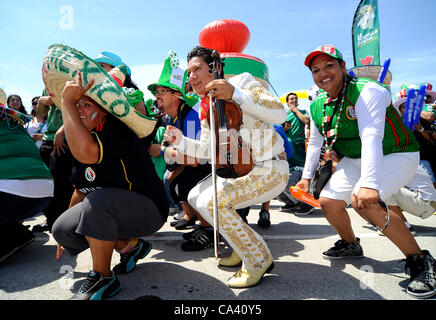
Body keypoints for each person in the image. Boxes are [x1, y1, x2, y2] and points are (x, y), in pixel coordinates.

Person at [297, 44, 436, 299]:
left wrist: (369, 184)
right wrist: (306, 178)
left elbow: (371, 135)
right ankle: (351, 244)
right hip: (356, 158)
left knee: (364, 202)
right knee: (328, 202)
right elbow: (316, 143)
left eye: (329, 65)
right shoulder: (318, 103)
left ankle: (421, 261)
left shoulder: (367, 90)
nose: (322, 73)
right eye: (315, 70)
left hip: (396, 153)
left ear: (342, 67)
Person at [43, 44, 167, 300]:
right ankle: (130, 247)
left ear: (103, 110)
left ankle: (103, 277)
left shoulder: (116, 130)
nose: (79, 110)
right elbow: (80, 189)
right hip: (114, 209)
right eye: (78, 105)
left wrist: (66, 101)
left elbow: (87, 155)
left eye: (87, 105)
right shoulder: (82, 137)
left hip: (150, 210)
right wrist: (65, 229)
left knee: (98, 203)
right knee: (62, 229)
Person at [164, 46, 289, 288]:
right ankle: (241, 247)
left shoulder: (243, 81)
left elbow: (280, 113)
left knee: (214, 202)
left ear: (213, 68)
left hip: (270, 168)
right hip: (242, 171)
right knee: (196, 194)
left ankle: (257, 259)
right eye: (189, 72)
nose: (191, 77)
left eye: (197, 69)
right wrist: (182, 141)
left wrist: (236, 94)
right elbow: (209, 151)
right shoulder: (205, 107)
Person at [147, 50, 213, 251]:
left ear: (176, 95)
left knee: (183, 182)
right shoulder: (169, 118)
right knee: (177, 181)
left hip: (207, 166)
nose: (156, 97)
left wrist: (163, 151)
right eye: (156, 92)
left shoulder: (191, 117)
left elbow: (195, 158)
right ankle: (198, 221)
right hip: (190, 164)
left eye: (161, 92)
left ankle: (210, 230)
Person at [0, 88, 53, 264]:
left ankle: (6, 241)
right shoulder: (14, 125)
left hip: (14, 194)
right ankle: (17, 233)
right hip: (43, 195)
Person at [282, 92, 314, 215]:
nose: (294, 100)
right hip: (288, 145)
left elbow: (306, 121)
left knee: (299, 172)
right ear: (287, 102)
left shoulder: (303, 111)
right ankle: (292, 201)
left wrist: (296, 111)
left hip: (299, 146)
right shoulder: (284, 115)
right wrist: (285, 129)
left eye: (295, 98)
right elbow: (280, 130)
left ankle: (305, 201)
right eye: (291, 99)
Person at [386, 164, 436, 235]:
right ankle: (397, 223)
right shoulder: (407, 159)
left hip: (425, 203)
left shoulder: (396, 162)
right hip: (428, 203)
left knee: (385, 188)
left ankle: (404, 227)